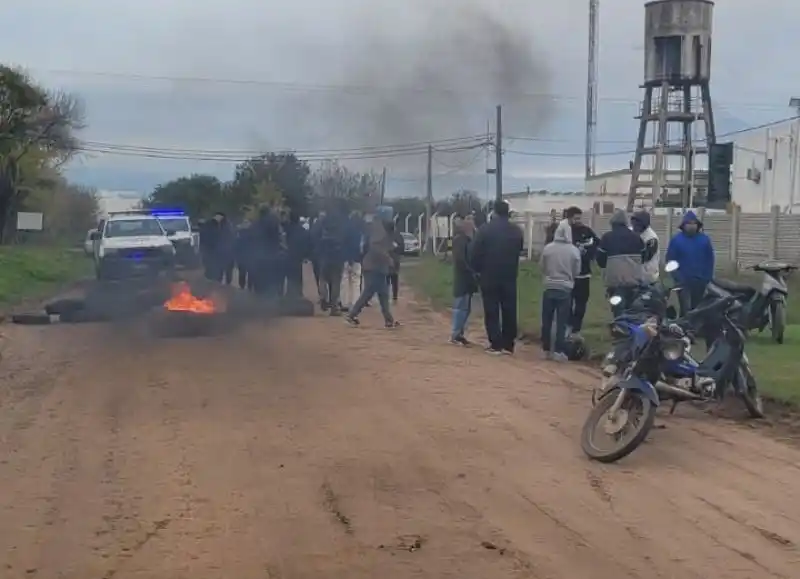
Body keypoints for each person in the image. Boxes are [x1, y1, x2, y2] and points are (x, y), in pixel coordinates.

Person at [470, 200, 524, 355]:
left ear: (494, 212)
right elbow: (519, 249)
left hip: (489, 274)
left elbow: (474, 253)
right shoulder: (516, 231)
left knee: (491, 309)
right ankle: (509, 343)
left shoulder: (485, 230)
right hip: (509, 274)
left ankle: (496, 343)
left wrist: (477, 269)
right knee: (509, 308)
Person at [345, 209, 399, 328]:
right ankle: (352, 315)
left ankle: (389, 320)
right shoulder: (378, 229)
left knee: (383, 293)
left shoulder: (382, 229)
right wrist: (388, 258)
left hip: (378, 268)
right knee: (369, 293)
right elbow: (375, 247)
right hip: (373, 267)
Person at [539, 220, 581, 361]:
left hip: (550, 286)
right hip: (565, 288)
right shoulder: (574, 250)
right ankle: (558, 350)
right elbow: (577, 270)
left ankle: (545, 349)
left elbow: (542, 266)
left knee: (547, 320)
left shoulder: (548, 248)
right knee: (561, 322)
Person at [595, 209, 645, 315]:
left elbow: (600, 259)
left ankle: (619, 326)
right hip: (633, 281)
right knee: (632, 308)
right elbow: (644, 257)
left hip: (615, 281)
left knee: (618, 310)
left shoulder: (607, 237)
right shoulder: (636, 237)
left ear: (612, 223)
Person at [666, 210, 715, 315]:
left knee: (698, 309)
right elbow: (670, 260)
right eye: (689, 223)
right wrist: (677, 277)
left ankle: (696, 330)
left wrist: (707, 277)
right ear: (684, 225)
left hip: (700, 282)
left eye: (694, 223)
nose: (691, 226)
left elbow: (709, 260)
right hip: (683, 282)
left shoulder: (704, 240)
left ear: (698, 225)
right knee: (686, 309)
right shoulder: (676, 240)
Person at [563, 206, 600, 336]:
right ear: (569, 218)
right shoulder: (564, 233)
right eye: (575, 218)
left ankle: (576, 329)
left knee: (581, 303)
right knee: (567, 303)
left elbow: (597, 245)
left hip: (584, 274)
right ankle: (567, 325)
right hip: (568, 275)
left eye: (580, 218)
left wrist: (589, 254)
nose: (578, 221)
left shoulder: (587, 231)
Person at [312, 204, 347, 314]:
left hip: (324, 255)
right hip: (337, 256)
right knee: (336, 282)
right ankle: (334, 307)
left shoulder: (321, 223)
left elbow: (313, 236)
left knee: (322, 278)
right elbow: (346, 238)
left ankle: (323, 297)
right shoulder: (341, 223)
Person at [449, 215, 478, 345]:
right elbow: (461, 260)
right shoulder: (460, 240)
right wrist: (472, 272)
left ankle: (459, 333)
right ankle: (455, 334)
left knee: (465, 308)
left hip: (467, 279)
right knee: (461, 307)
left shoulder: (467, 240)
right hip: (463, 278)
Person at [252, 205, 284, 297]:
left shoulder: (255, 224)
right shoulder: (274, 223)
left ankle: (259, 299)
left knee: (259, 282)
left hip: (258, 256)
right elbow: (278, 238)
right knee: (271, 281)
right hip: (271, 256)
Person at [200, 211, 235, 284]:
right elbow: (204, 239)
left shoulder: (227, 226)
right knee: (217, 273)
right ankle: (217, 286)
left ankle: (225, 287)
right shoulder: (209, 225)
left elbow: (231, 238)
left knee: (226, 273)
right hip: (215, 253)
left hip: (225, 253)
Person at [340, 210, 365, 310]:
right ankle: (355, 303)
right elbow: (361, 247)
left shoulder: (346, 230)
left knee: (345, 280)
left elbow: (344, 245)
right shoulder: (360, 232)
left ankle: (345, 303)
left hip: (346, 258)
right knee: (356, 282)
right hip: (357, 259)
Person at [283, 210, 311, 297]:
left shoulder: (286, 228)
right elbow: (306, 242)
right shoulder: (301, 230)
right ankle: (298, 292)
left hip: (288, 254)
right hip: (298, 255)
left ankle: (290, 292)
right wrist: (305, 255)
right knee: (298, 274)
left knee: (289, 275)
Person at [630, 210, 660, 285]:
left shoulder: (651, 238)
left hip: (648, 275)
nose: (635, 226)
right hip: (632, 275)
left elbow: (645, 257)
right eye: (634, 223)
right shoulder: (630, 232)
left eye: (638, 224)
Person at [234, 220, 255, 291]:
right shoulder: (252, 235)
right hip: (249, 257)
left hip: (243, 257)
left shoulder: (240, 235)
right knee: (250, 274)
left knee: (243, 274)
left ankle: (242, 287)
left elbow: (237, 247)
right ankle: (249, 287)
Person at [387, 221, 404, 302]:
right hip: (395, 261)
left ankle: (386, 297)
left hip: (386, 261)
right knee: (394, 280)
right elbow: (402, 249)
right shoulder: (398, 236)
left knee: (386, 280)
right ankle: (394, 297)